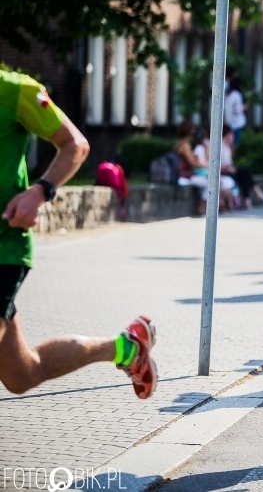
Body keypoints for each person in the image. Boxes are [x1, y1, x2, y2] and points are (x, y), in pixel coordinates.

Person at [0, 69, 157, 398]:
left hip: (4, 249)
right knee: (22, 374)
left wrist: (39, 192)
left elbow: (75, 144)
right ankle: (125, 347)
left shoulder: (14, 90)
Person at [220, 124, 263, 209]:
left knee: (245, 177)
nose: (233, 137)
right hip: (224, 172)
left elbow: (230, 163)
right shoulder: (220, 146)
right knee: (245, 171)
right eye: (231, 134)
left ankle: (249, 200)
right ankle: (256, 195)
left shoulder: (228, 147)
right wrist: (227, 168)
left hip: (230, 170)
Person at [223, 76, 247, 148]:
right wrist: (245, 107)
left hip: (228, 122)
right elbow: (237, 110)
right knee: (234, 145)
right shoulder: (237, 94)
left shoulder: (228, 94)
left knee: (228, 144)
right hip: (236, 123)